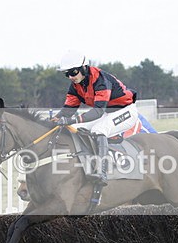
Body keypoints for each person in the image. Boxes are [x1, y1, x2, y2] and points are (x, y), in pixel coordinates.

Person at [53, 50, 139, 185]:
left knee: (99, 130)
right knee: (74, 128)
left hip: (126, 111)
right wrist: (51, 122)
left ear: (84, 68)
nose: (70, 77)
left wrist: (73, 119)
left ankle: (101, 171)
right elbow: (68, 110)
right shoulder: (75, 86)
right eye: (66, 74)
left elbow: (98, 111)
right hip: (107, 112)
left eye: (73, 72)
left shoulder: (100, 80)